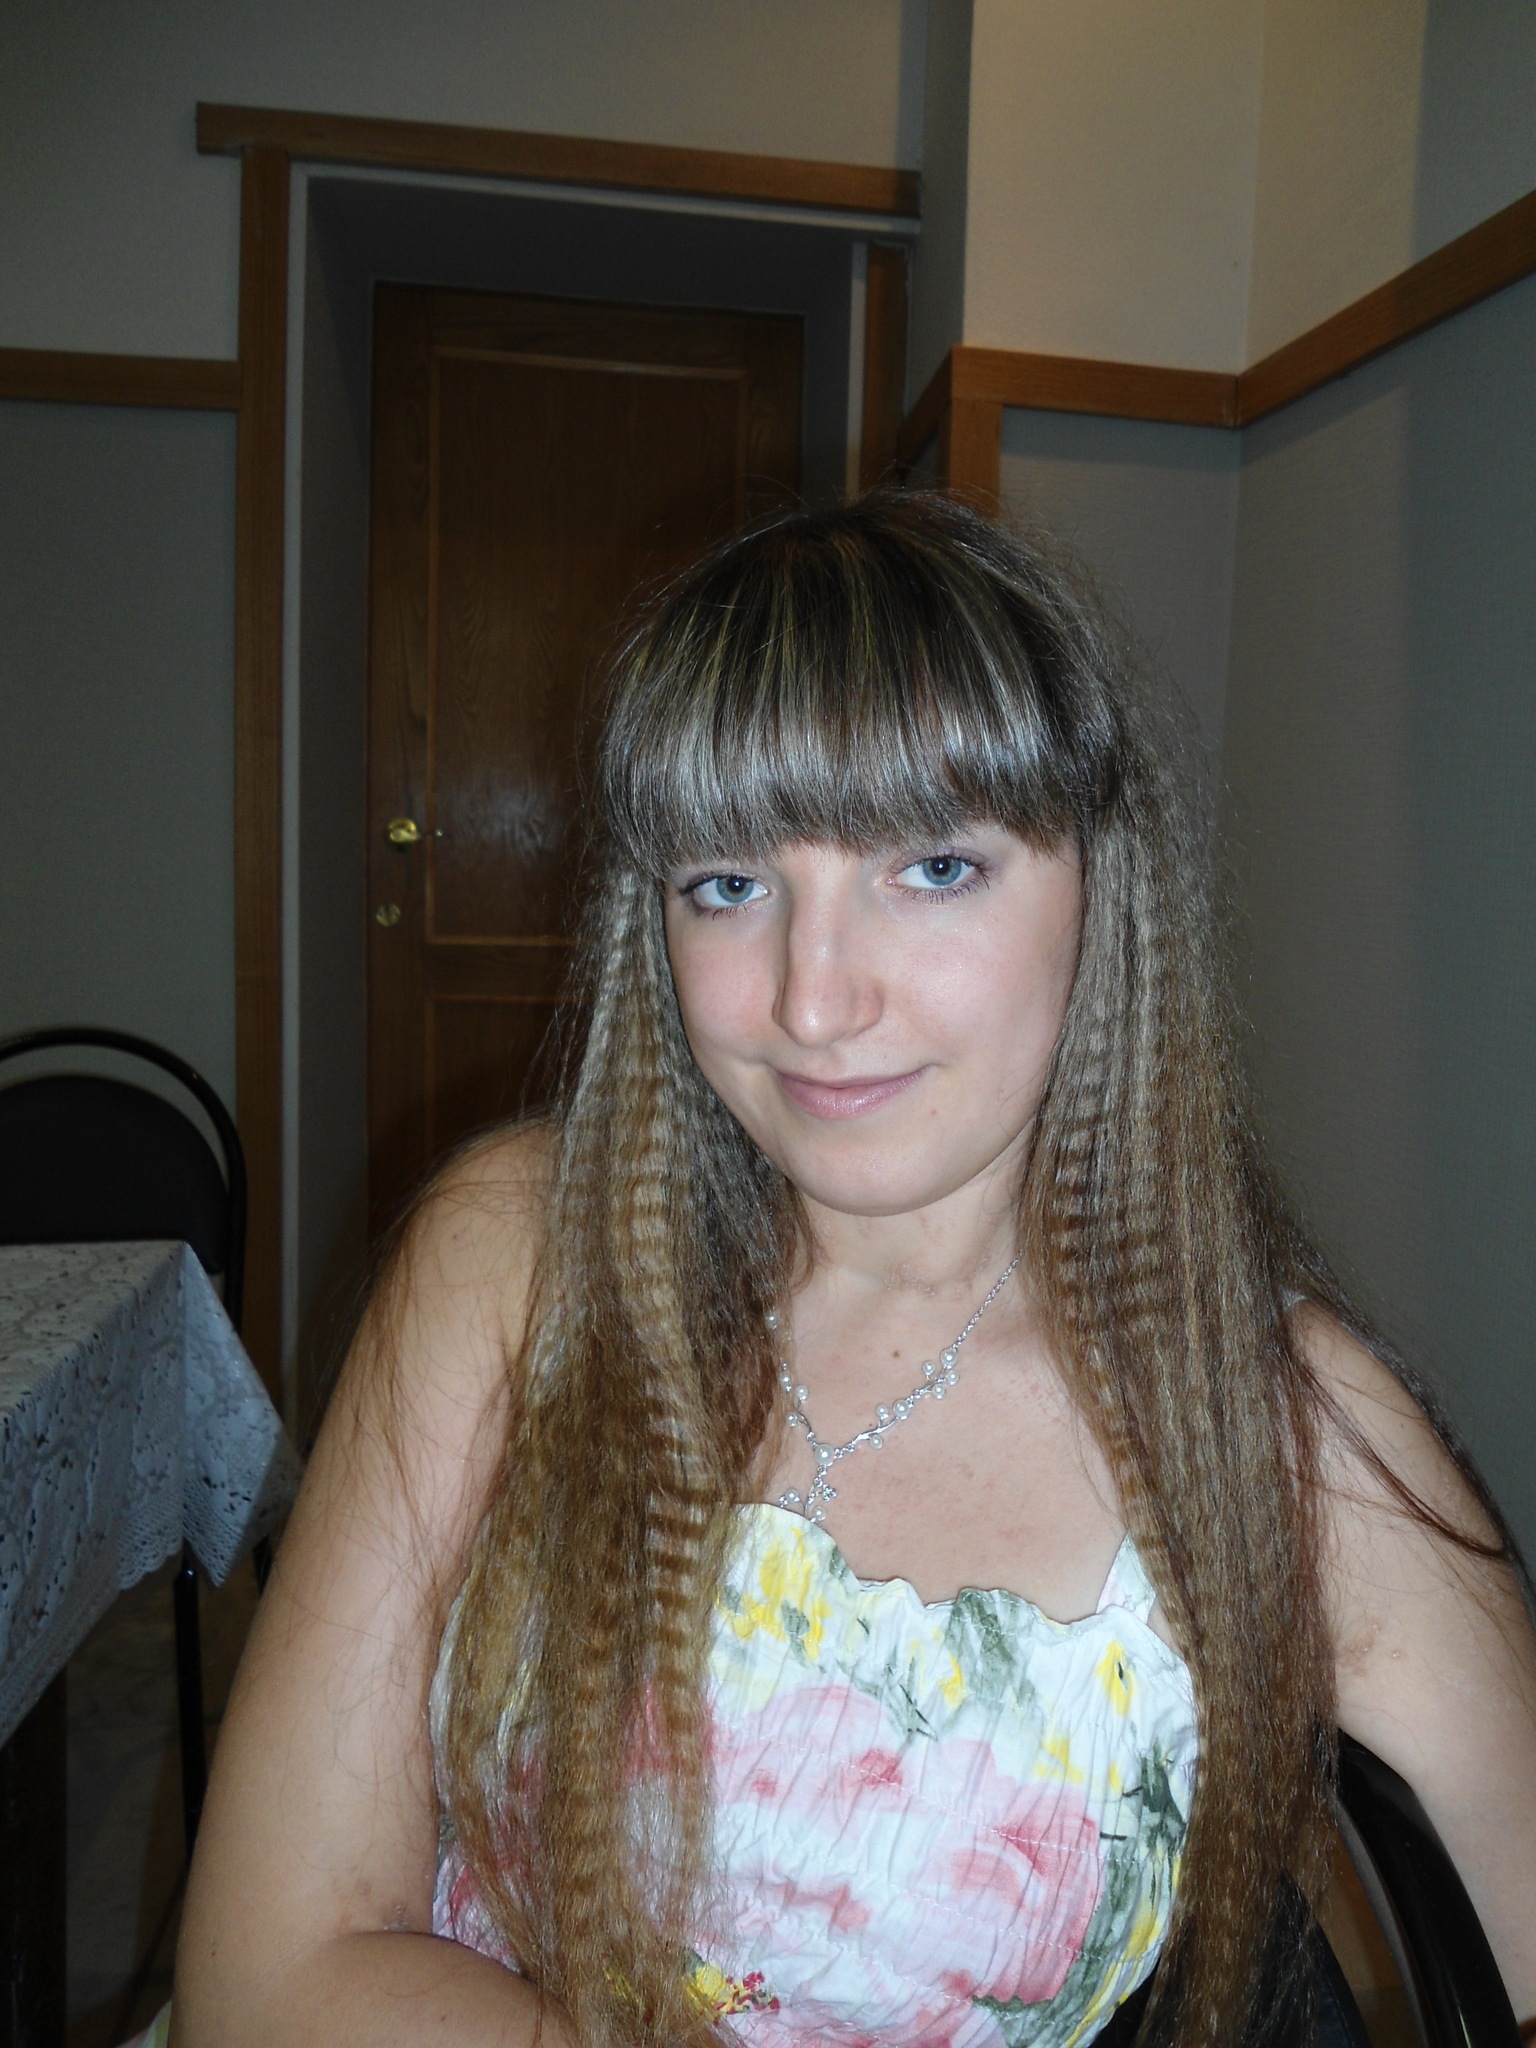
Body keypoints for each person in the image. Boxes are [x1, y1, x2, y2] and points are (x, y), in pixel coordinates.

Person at [171, 493, 1536, 2048]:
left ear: (1100, 887)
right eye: (729, 884)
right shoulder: (508, 1260)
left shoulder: (1282, 1437)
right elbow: (262, 1983)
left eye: (935, 867)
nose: (812, 1002)